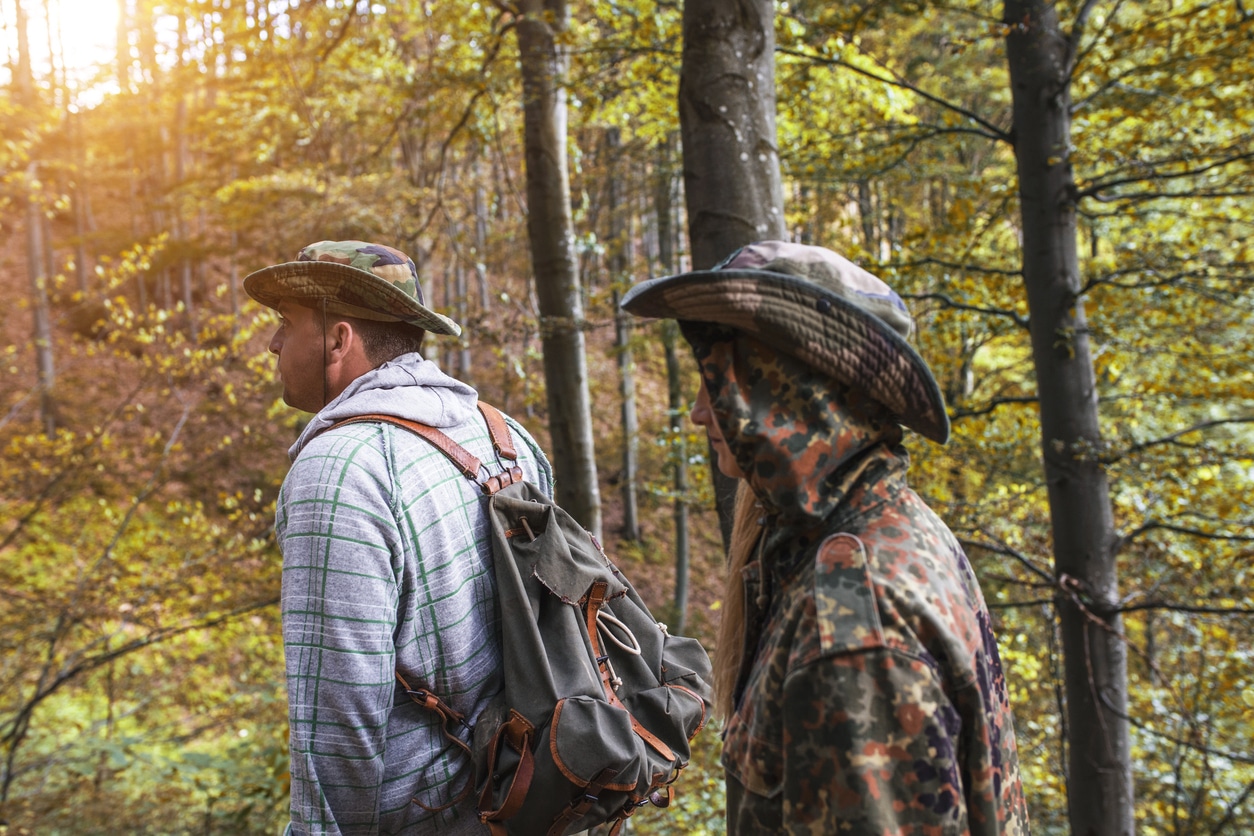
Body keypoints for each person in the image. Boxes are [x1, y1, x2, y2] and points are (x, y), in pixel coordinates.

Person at [621, 241, 1030, 835]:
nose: (698, 413)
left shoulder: (853, 624)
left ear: (790, 391)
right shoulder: (891, 529)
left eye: (723, 379)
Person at [245, 241, 554, 835]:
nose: (273, 344)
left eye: (286, 323)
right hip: (524, 800)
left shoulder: (339, 470)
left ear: (339, 341)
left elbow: (338, 719)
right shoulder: (503, 434)